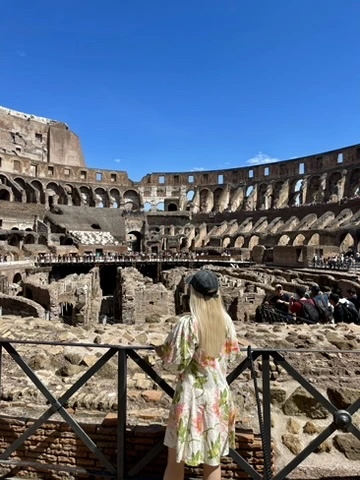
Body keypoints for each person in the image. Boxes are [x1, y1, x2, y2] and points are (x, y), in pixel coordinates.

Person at [156, 269, 240, 480]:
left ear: (193, 292)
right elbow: (231, 357)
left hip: (191, 397)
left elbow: (175, 364)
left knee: (176, 460)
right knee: (213, 462)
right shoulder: (227, 322)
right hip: (218, 396)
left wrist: (162, 351)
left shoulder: (188, 324)